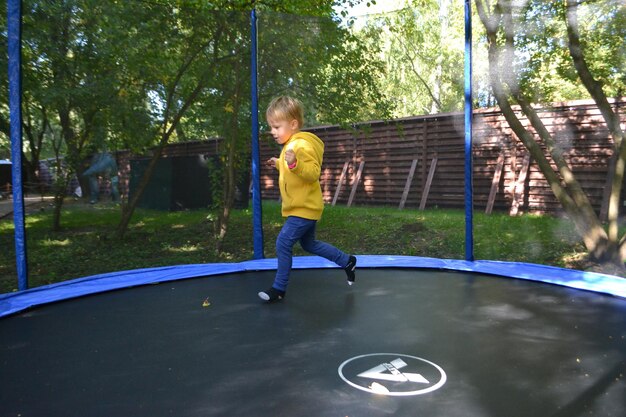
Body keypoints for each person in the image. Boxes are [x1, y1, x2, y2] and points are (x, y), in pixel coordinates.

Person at [258, 96, 357, 302]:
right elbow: (293, 170)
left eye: (276, 126)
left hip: (303, 208)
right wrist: (279, 163)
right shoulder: (291, 145)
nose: (272, 131)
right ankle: (347, 261)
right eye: (271, 127)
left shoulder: (301, 145)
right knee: (309, 244)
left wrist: (294, 163)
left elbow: (312, 173)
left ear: (293, 124)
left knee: (283, 243)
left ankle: (279, 289)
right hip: (302, 207)